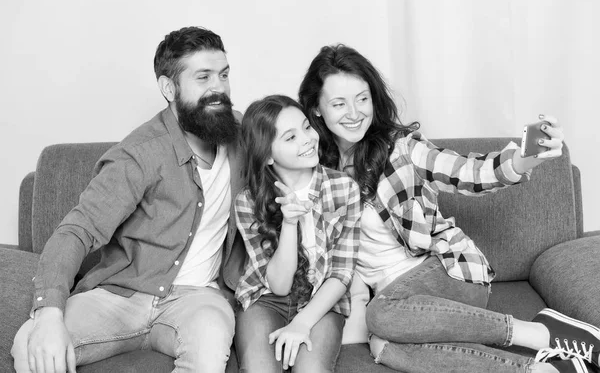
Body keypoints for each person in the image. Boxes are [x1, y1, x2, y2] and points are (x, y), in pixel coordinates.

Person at [298, 44, 600, 373]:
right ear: (316, 109)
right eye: (339, 103)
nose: (354, 113)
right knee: (383, 345)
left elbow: (468, 173)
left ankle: (537, 334)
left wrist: (522, 158)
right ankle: (543, 370)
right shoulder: (317, 173)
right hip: (406, 309)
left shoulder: (400, 150)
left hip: (449, 274)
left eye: (362, 99)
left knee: (380, 317)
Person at [11, 26, 246, 373]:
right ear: (169, 88)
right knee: (27, 345)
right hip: (121, 296)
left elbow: (298, 153)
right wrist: (48, 313)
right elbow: (77, 231)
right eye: (203, 77)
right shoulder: (140, 153)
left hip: (198, 300)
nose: (219, 88)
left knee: (211, 343)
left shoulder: (242, 135)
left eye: (224, 75)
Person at [233, 95, 361, 372]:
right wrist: (290, 224)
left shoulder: (344, 188)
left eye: (306, 127)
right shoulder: (248, 201)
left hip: (323, 301)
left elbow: (341, 273)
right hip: (266, 300)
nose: (307, 139)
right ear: (267, 155)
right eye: (290, 138)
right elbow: (278, 285)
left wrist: (302, 323)